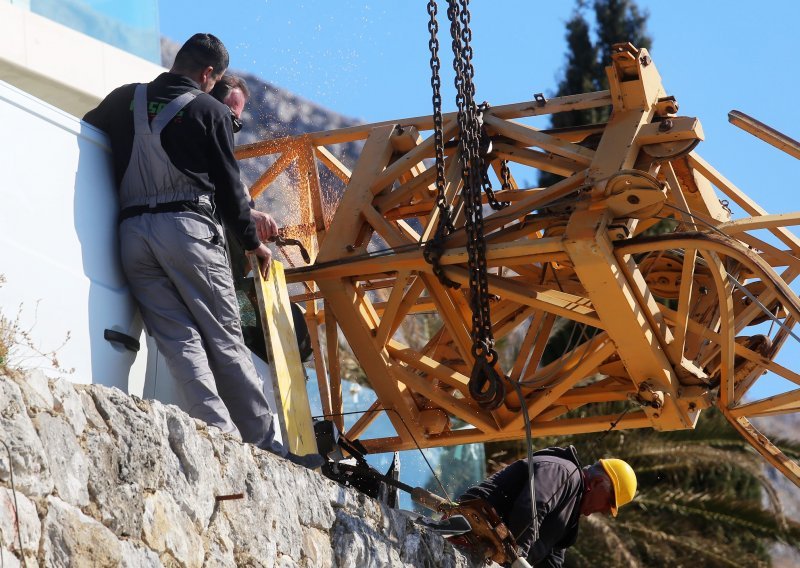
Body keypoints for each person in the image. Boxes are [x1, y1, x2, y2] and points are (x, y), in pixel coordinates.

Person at [83, 33, 322, 469]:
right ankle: (266, 446)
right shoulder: (209, 110)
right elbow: (232, 193)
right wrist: (254, 244)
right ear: (208, 74)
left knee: (179, 340)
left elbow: (87, 135)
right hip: (188, 231)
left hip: (131, 234)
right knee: (224, 338)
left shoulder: (121, 101)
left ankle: (219, 434)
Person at [459, 446, 637, 567]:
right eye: (609, 502)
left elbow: (552, 559)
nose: (605, 511)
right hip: (469, 530)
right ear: (598, 482)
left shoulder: (569, 519)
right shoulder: (563, 472)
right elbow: (532, 507)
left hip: (489, 553)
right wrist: (515, 557)